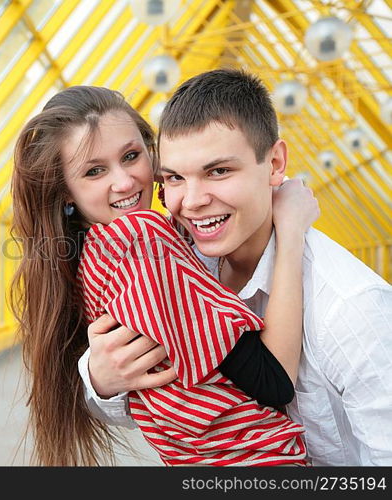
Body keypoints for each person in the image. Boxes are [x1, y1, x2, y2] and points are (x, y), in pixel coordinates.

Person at [80, 69, 392, 466]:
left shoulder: (353, 311)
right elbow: (152, 402)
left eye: (218, 171)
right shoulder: (182, 262)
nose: (191, 202)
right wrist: (100, 380)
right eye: (175, 177)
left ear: (275, 163)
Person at [11, 84, 319, 466]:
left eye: (131, 156)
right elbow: (273, 381)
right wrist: (291, 230)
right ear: (66, 191)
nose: (124, 182)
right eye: (94, 171)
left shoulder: (88, 262)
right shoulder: (141, 240)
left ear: (152, 154)